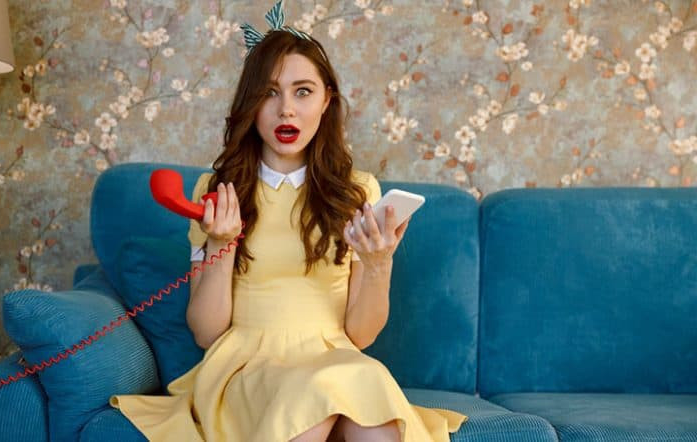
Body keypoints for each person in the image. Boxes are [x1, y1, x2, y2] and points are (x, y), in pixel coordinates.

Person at [110, 2, 466, 440]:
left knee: (362, 382)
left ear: (326, 100)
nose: (286, 111)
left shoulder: (358, 191)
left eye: (303, 92)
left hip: (335, 360)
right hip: (246, 365)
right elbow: (205, 332)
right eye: (269, 93)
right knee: (334, 386)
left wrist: (378, 265)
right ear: (251, 103)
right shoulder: (217, 190)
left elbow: (360, 335)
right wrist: (220, 244)